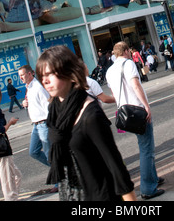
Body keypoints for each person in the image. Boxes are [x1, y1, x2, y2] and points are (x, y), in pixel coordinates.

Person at [35, 45, 136, 202]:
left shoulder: (90, 114)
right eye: (41, 76)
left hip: (99, 195)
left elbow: (115, 164)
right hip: (71, 193)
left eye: (49, 74)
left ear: (68, 72)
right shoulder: (54, 108)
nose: (45, 81)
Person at [106, 41, 164, 200]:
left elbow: (114, 93)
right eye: (129, 51)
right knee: (147, 148)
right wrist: (146, 106)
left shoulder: (109, 71)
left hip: (124, 113)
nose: (131, 53)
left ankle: (153, 178)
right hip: (137, 110)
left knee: (145, 145)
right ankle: (148, 188)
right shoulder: (129, 64)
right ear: (125, 51)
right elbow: (136, 85)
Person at [18, 65, 51, 168]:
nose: (21, 78)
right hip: (36, 125)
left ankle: (60, 178)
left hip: (44, 123)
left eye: (22, 75)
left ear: (29, 73)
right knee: (33, 152)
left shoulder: (38, 87)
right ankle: (60, 171)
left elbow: (47, 106)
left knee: (49, 153)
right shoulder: (28, 87)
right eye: (19, 76)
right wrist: (25, 104)